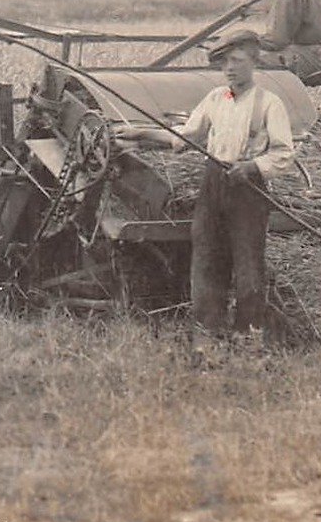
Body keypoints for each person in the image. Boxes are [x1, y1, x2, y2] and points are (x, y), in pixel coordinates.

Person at [115, 28, 294, 341]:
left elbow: (283, 153)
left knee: (248, 261)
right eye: (224, 62)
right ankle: (208, 330)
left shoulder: (269, 104)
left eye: (237, 60)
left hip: (248, 190)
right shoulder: (215, 98)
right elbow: (185, 137)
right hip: (213, 185)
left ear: (254, 62)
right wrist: (142, 134)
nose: (230, 68)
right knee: (207, 256)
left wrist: (252, 167)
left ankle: (248, 333)